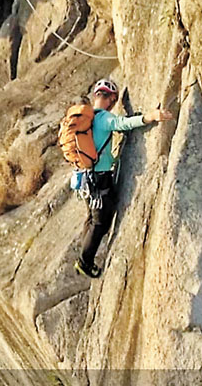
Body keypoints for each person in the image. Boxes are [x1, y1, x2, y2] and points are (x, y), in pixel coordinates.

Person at [73, 79, 174, 278]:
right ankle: (84, 262)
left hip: (84, 178)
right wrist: (151, 116)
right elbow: (124, 123)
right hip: (99, 179)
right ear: (110, 99)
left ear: (96, 96)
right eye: (114, 99)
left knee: (91, 218)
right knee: (101, 222)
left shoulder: (86, 118)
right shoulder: (103, 119)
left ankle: (84, 256)